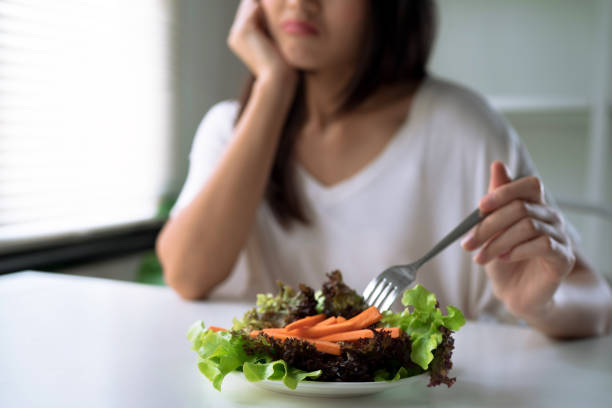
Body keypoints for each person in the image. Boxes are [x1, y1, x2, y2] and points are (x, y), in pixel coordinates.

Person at [156, 0, 612, 338]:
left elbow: (596, 300)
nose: (299, 3)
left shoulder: (462, 128)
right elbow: (187, 275)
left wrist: (541, 305)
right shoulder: (231, 127)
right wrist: (274, 85)